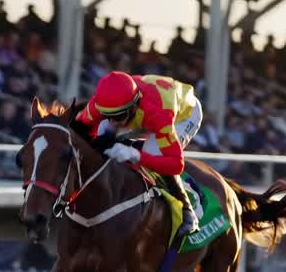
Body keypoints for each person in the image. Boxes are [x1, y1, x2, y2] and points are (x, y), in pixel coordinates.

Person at [77, 70, 203, 242]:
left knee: (152, 153)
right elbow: (78, 133)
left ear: (134, 105)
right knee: (100, 135)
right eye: (108, 116)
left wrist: (136, 155)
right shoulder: (100, 105)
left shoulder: (159, 115)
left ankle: (188, 211)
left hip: (183, 114)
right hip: (143, 109)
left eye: (118, 116)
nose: (113, 122)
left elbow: (176, 164)